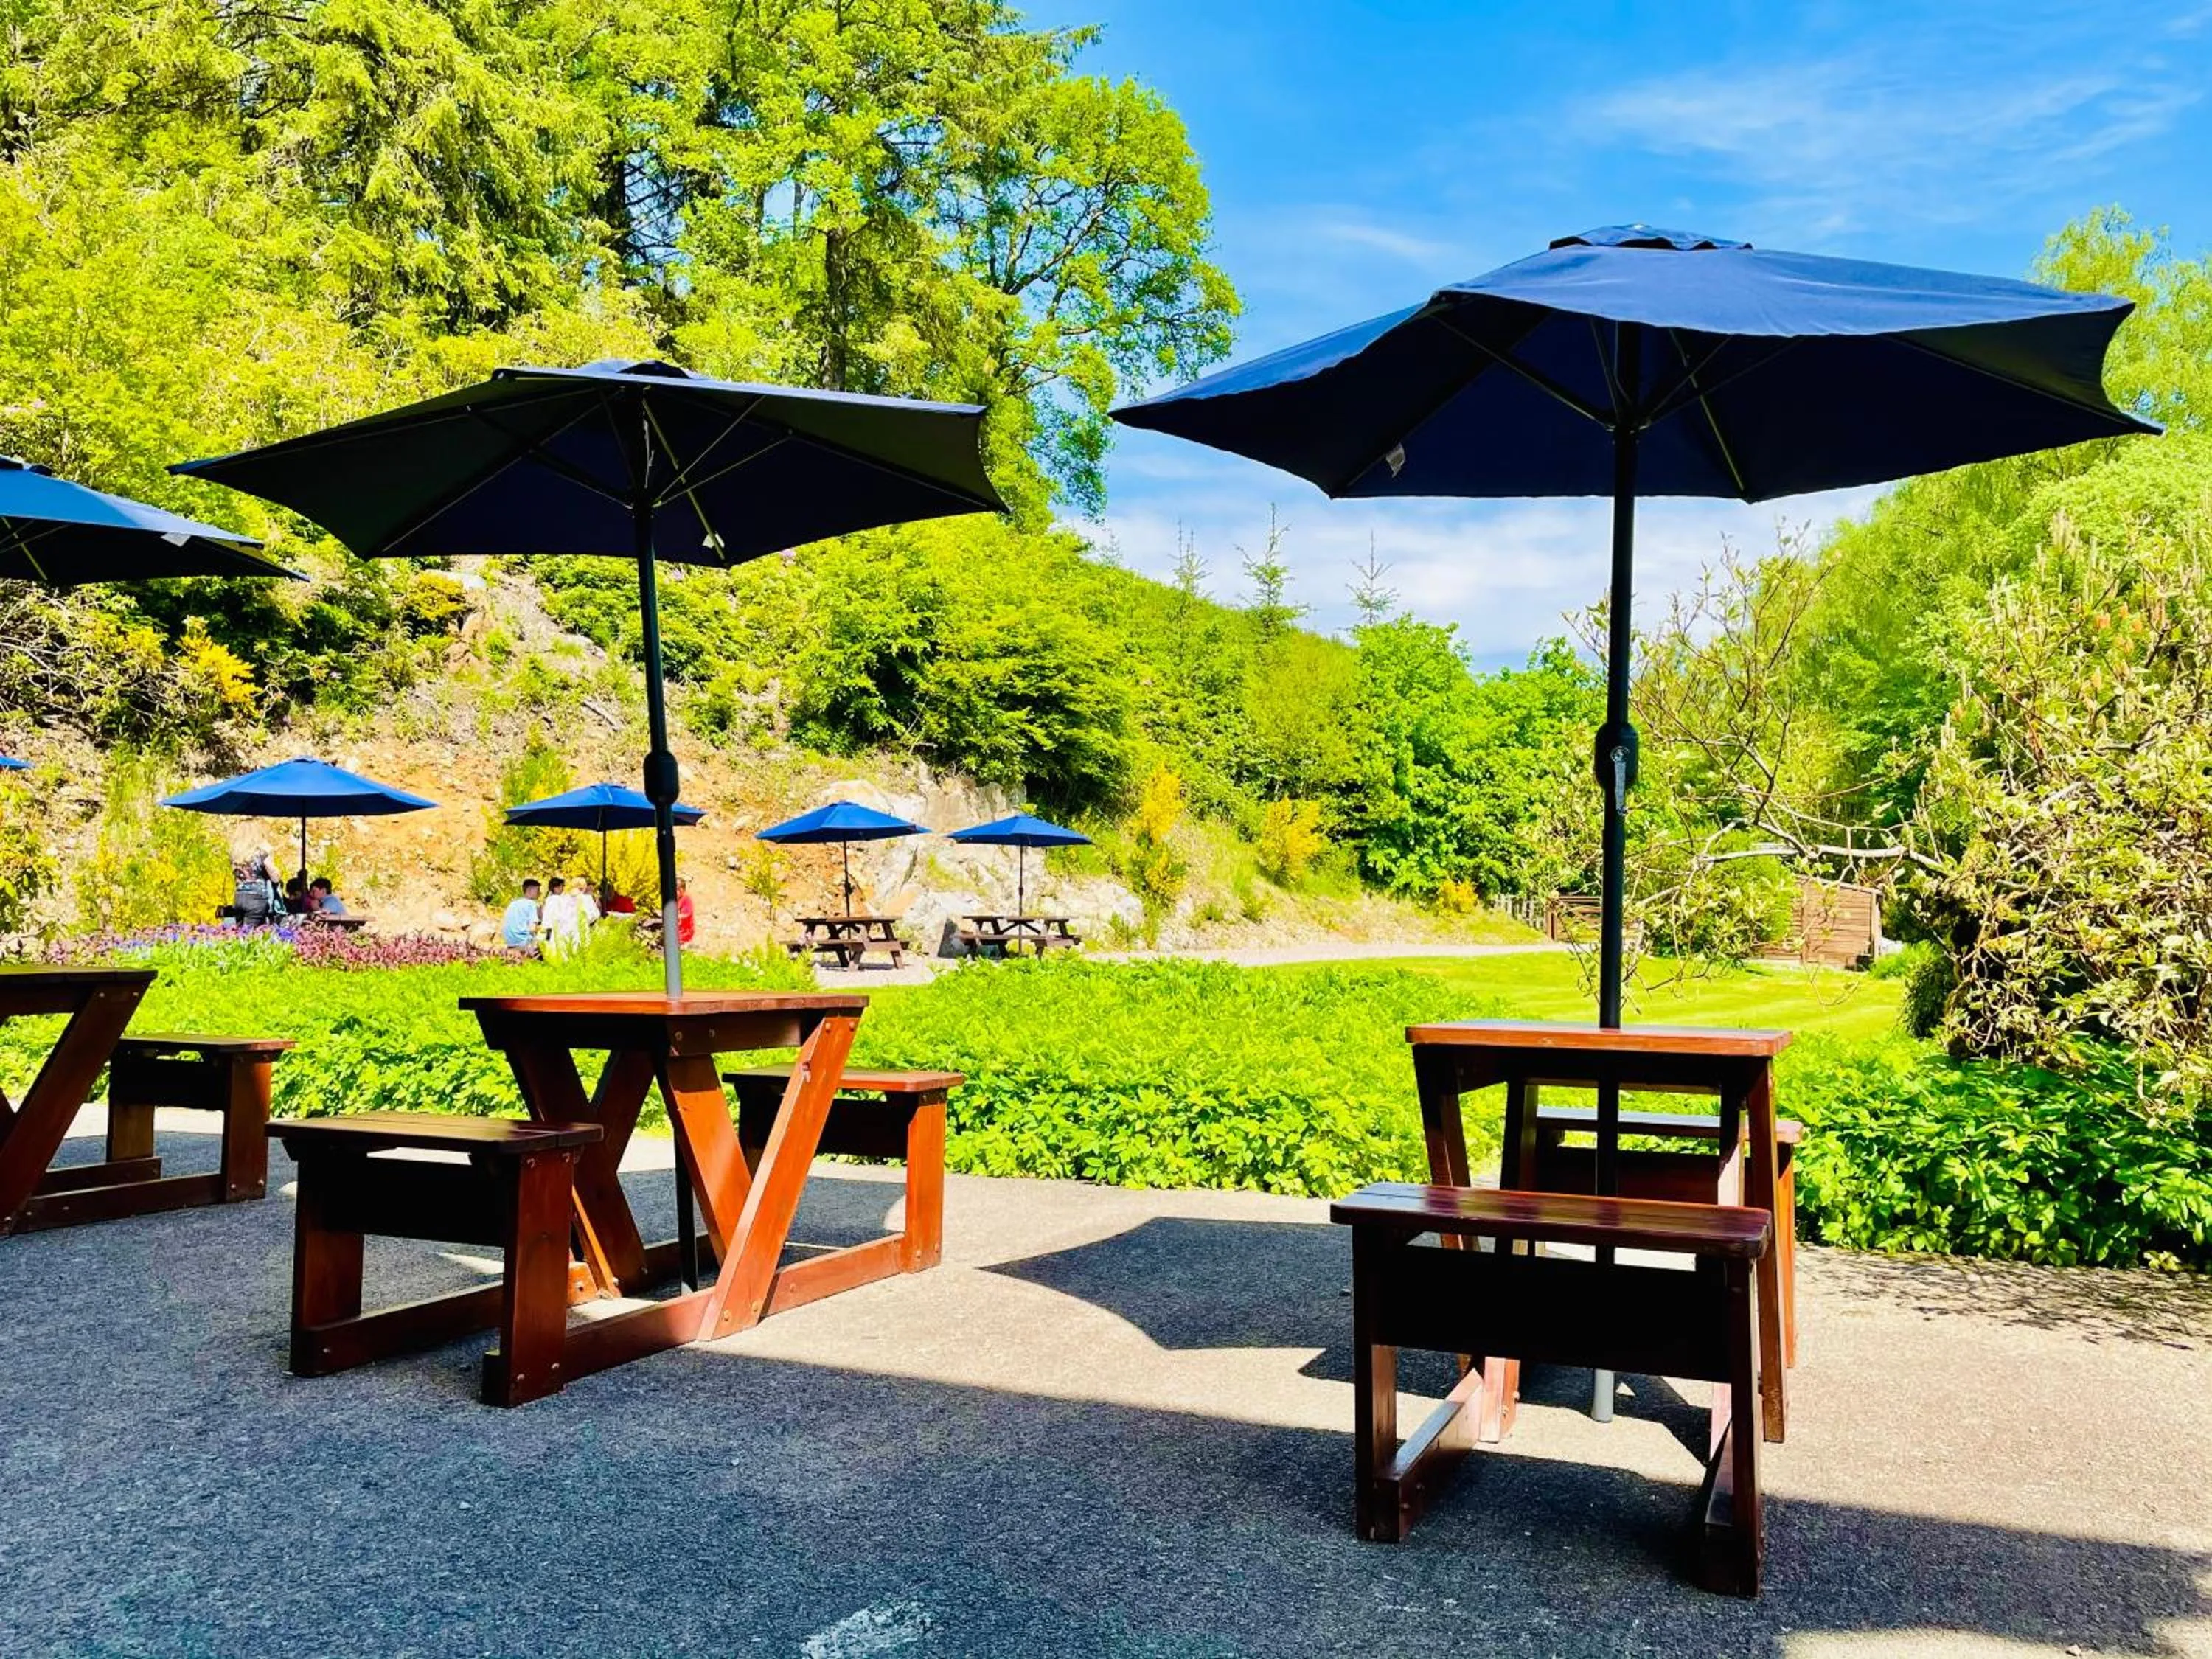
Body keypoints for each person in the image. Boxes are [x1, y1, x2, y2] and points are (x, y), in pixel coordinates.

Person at [540, 874, 597, 956]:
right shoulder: (586, 898)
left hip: (562, 931)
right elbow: (593, 916)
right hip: (577, 930)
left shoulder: (562, 898)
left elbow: (549, 920)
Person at [232, 858, 282, 927]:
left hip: (239, 897)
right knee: (253, 932)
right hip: (256, 898)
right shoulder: (262, 854)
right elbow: (275, 879)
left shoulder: (237, 854)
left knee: (239, 931)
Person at [501, 878, 543, 953]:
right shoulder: (532, 904)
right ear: (530, 890)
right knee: (549, 933)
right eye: (538, 890)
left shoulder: (513, 903)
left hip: (510, 943)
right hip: (524, 943)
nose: (540, 893)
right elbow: (532, 928)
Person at [674, 874, 696, 947]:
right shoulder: (676, 900)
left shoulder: (686, 899)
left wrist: (676, 916)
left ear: (681, 891)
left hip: (686, 931)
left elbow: (687, 914)